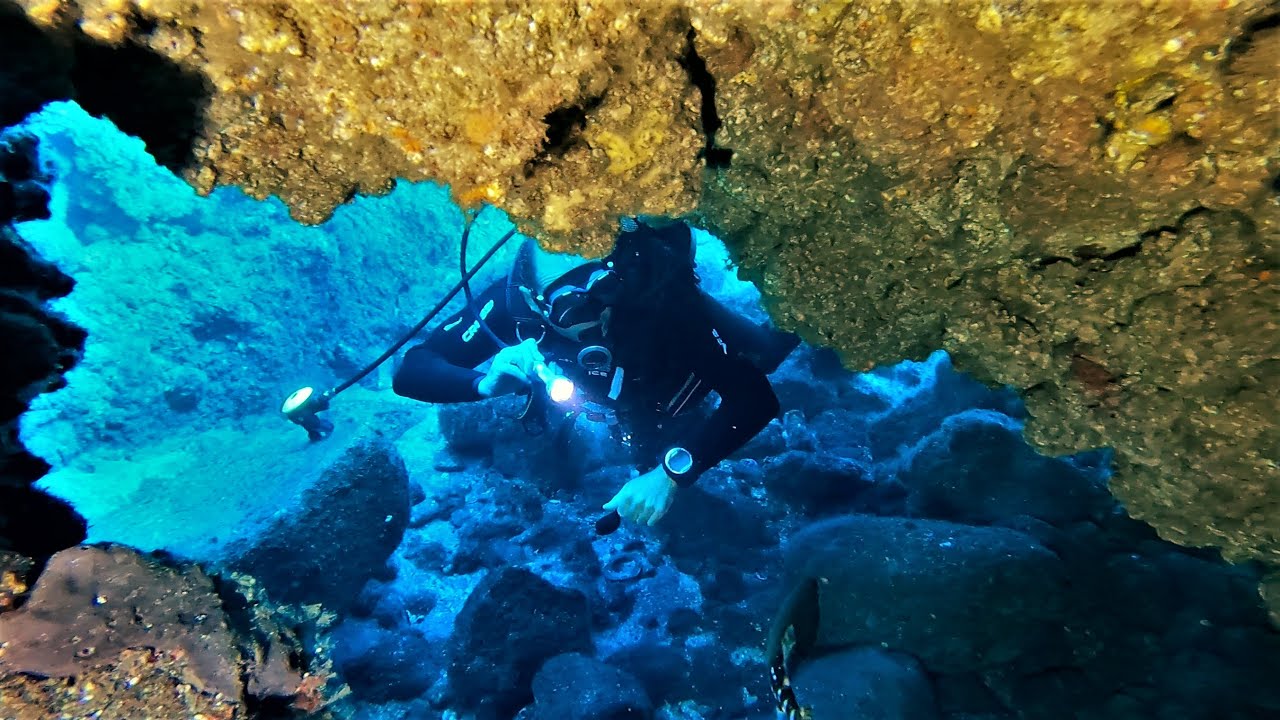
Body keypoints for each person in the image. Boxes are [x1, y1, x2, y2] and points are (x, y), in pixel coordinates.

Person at [393, 216, 799, 528]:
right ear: (536, 300)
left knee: (765, 356)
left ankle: (802, 316)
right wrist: (481, 384)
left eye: (601, 292)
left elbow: (754, 398)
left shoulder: (652, 305)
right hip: (601, 395)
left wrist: (671, 474)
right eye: (572, 308)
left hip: (671, 386)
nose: (596, 316)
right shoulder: (514, 305)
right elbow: (413, 369)